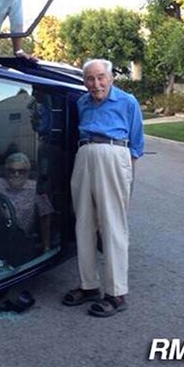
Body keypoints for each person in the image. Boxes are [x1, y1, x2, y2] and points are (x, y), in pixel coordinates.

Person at [64, 59, 144, 317]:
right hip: (84, 155)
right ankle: (89, 286)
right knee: (83, 222)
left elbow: (135, 143)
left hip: (114, 154)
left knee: (113, 224)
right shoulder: (82, 102)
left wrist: (128, 178)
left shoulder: (127, 102)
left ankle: (116, 293)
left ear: (110, 78)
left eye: (100, 77)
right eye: (89, 79)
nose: (95, 84)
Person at [0, 152, 54, 253]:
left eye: (21, 171)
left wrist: (46, 246)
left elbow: (45, 217)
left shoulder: (34, 188)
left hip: (23, 240)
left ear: (28, 173)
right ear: (6, 171)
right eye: (12, 171)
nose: (16, 175)